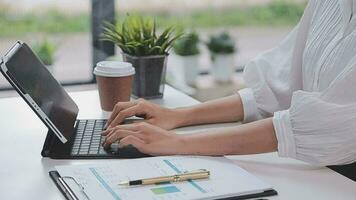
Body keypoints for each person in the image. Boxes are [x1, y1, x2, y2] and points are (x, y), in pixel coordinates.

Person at [102, 0, 356, 168]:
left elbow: (323, 126)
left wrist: (177, 143)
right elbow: (278, 86)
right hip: (317, 173)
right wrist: (177, 117)